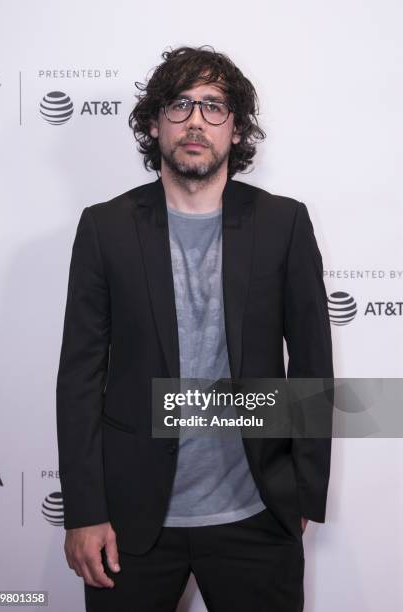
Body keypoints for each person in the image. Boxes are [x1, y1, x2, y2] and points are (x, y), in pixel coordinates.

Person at [56, 45, 334, 612]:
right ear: (155, 123)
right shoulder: (105, 228)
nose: (195, 121)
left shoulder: (284, 224)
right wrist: (85, 511)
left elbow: (311, 365)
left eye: (214, 106)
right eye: (179, 105)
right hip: (129, 525)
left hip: (257, 514)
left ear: (236, 129)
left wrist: (302, 489)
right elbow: (80, 378)